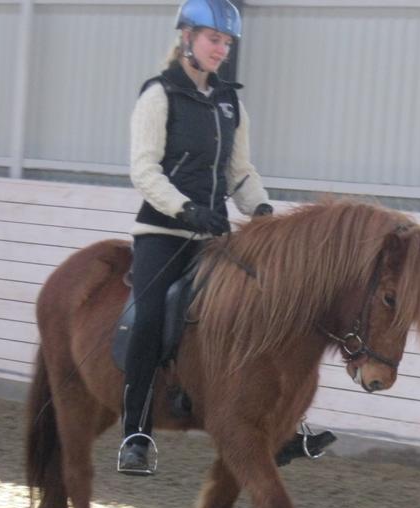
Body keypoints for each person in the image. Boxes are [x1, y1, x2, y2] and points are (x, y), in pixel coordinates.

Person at [119, 0, 276, 475]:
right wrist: (186, 210)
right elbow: (143, 171)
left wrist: (262, 210)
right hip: (162, 233)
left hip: (210, 236)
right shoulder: (159, 96)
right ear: (186, 37)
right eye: (214, 39)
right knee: (148, 317)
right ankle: (137, 433)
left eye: (227, 43)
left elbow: (240, 172)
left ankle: (278, 422)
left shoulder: (231, 103)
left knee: (258, 306)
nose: (221, 50)